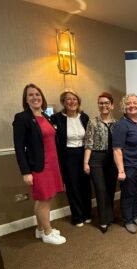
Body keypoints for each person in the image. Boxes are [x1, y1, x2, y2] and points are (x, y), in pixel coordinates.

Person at [13, 83, 66, 245]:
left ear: (41, 97)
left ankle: (40, 229)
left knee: (43, 199)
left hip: (53, 164)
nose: (35, 97)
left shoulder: (47, 117)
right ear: (26, 99)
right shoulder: (22, 118)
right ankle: (48, 233)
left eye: (37, 94)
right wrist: (25, 172)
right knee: (44, 199)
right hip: (38, 166)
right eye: (31, 95)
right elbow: (19, 148)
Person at [51, 89, 92, 227]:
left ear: (78, 102)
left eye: (74, 99)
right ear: (63, 102)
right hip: (68, 156)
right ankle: (77, 216)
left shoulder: (84, 117)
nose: (72, 102)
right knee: (73, 186)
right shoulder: (56, 118)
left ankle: (87, 213)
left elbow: (90, 138)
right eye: (68, 99)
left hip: (84, 153)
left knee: (85, 185)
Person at [112, 94, 137, 234]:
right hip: (129, 166)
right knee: (128, 194)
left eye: (135, 103)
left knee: (136, 192)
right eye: (129, 103)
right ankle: (127, 220)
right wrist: (121, 170)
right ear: (124, 106)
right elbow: (117, 149)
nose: (132, 105)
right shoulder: (122, 124)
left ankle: (134, 216)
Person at [83, 92, 117, 233]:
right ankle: (103, 220)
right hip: (97, 159)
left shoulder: (117, 123)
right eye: (101, 103)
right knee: (101, 190)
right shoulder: (92, 122)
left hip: (112, 159)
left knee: (110, 188)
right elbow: (88, 143)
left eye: (106, 103)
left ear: (112, 105)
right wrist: (86, 162)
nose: (104, 105)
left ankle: (109, 215)